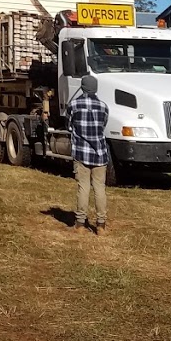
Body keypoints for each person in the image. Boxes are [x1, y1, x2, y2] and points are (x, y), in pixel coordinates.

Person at [67, 73, 109, 235]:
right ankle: (101, 225)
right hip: (100, 153)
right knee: (100, 188)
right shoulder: (104, 106)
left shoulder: (74, 105)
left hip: (81, 152)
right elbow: (103, 126)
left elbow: (69, 126)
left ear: (82, 87)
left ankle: (80, 224)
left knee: (83, 187)